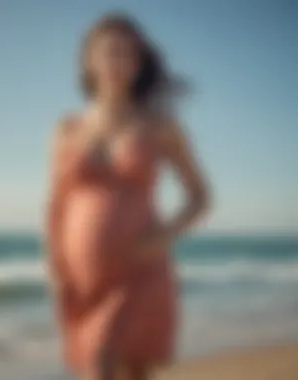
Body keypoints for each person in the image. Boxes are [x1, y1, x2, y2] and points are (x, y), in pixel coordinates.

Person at [46, 12, 210, 380]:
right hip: (85, 278)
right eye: (110, 52)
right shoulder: (67, 129)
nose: (119, 62)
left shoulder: (160, 126)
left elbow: (200, 196)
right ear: (89, 59)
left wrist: (164, 236)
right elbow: (57, 206)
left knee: (109, 365)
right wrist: (55, 267)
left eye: (128, 54)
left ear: (138, 64)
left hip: (141, 269)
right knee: (103, 368)